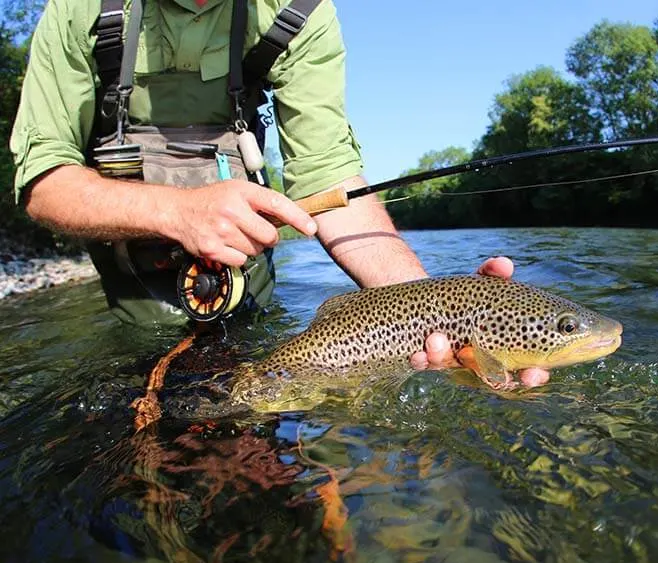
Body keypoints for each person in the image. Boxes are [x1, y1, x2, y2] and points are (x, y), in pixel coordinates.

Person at [9, 0, 550, 387]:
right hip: (133, 320)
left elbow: (330, 177)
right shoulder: (80, 9)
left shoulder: (300, 12)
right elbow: (43, 180)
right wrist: (177, 211)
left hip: (251, 311)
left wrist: (438, 310)